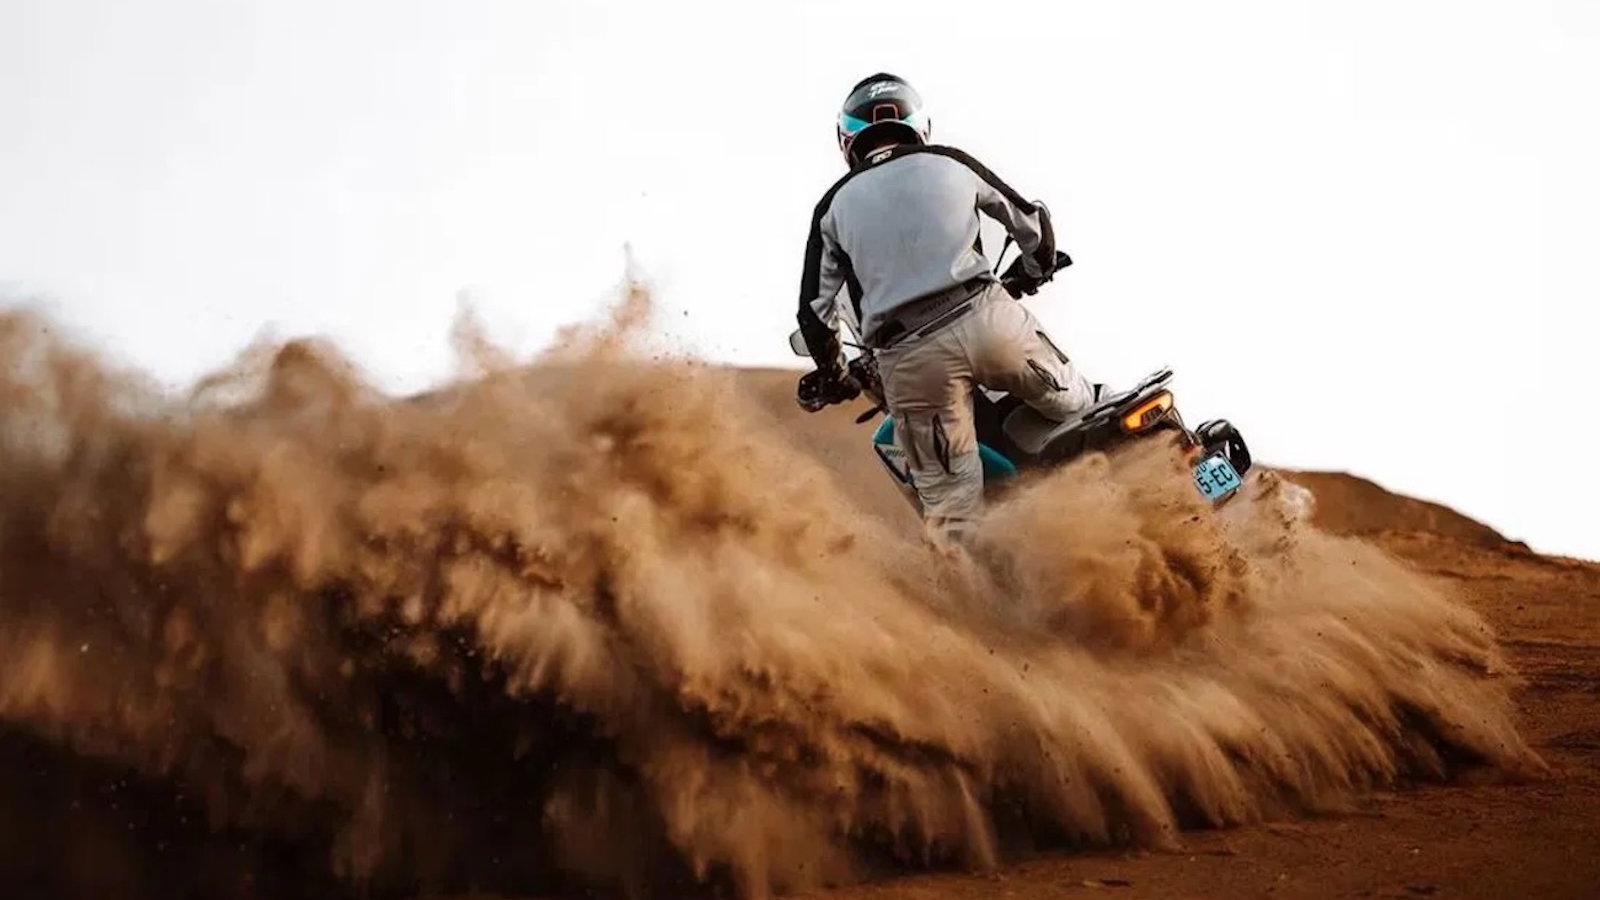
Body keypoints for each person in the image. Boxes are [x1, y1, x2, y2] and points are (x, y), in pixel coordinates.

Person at [794, 72, 1102, 545]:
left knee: (953, 513)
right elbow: (1030, 220)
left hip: (913, 361)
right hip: (990, 322)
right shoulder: (949, 162)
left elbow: (815, 316)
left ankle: (981, 613)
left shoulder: (832, 207)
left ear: (847, 138)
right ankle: (1130, 477)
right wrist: (1036, 268)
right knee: (1079, 406)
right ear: (918, 123)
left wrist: (835, 375)